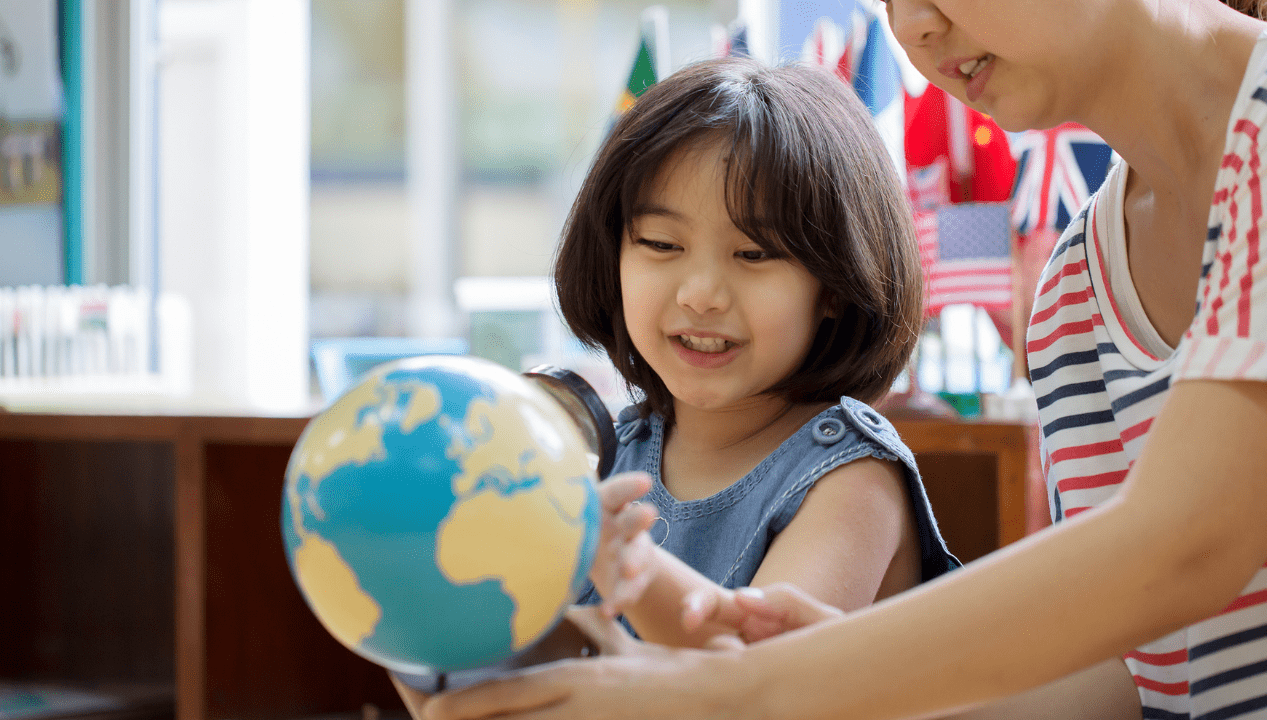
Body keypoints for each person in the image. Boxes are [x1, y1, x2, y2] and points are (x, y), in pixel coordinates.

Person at [399, 0, 1267, 718]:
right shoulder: (1077, 282)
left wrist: (739, 696)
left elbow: (1186, 547)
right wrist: (833, 683)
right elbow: (1144, 677)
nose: (917, 26)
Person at [391, 55, 960, 713]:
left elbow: (756, 692)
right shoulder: (606, 455)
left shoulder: (851, 480)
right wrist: (421, 611)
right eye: (662, 244)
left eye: (753, 254)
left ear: (833, 287)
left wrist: (634, 569)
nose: (700, 294)